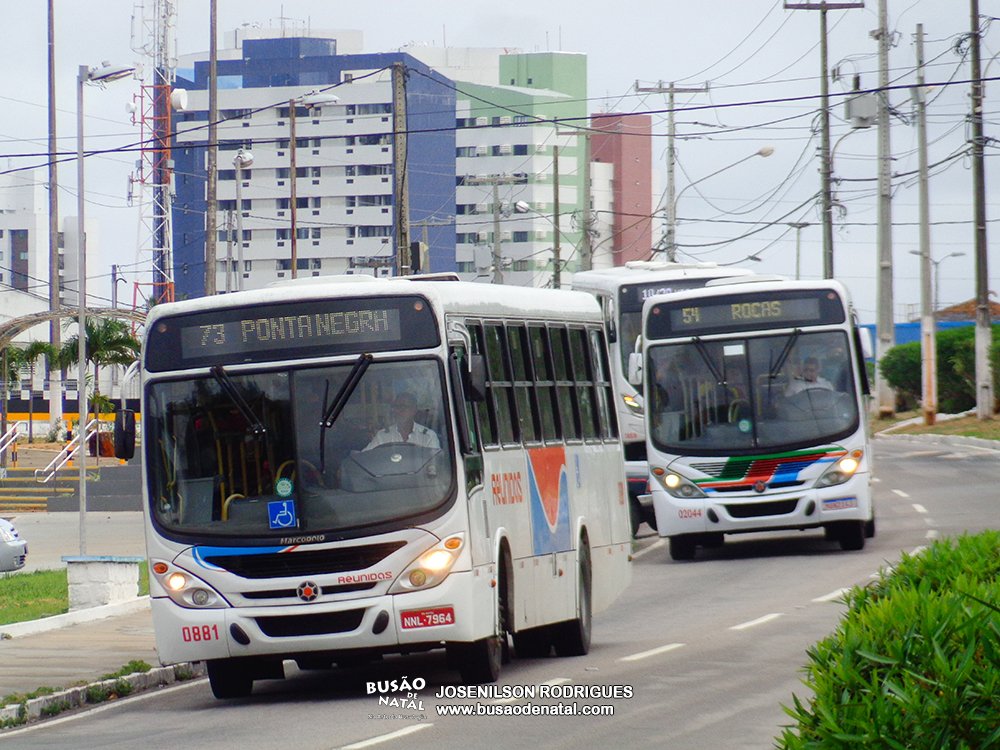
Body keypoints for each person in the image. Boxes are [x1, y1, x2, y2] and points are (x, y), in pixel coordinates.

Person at [365, 391, 440, 450]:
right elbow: (366, 456)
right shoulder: (382, 436)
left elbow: (436, 463)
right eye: (396, 407)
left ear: (414, 410)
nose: (399, 411)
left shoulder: (428, 437)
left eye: (404, 406)